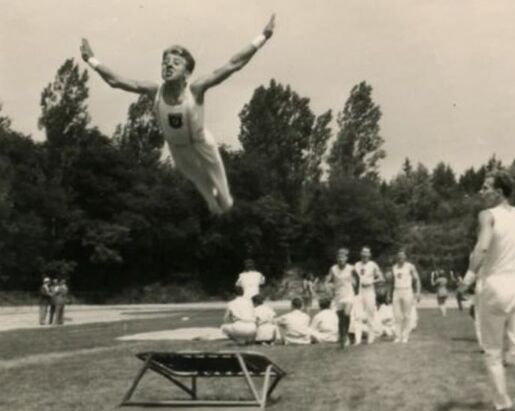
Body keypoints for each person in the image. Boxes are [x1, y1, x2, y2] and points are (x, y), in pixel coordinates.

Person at [79, 15, 276, 214]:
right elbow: (116, 81)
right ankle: (211, 203)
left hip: (201, 144)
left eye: (176, 63)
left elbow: (234, 64)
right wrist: (91, 60)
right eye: (165, 62)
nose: (168, 66)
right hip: (178, 149)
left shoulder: (196, 89)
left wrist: (263, 37)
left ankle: (223, 201)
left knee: (225, 201)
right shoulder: (153, 91)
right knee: (207, 194)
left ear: (187, 73)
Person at [459, 169, 515, 411]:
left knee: (492, 350)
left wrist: (468, 279)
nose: (481, 192)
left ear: (499, 191)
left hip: (494, 284)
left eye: (485, 187)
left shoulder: (487, 215)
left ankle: (503, 403)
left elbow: (482, 248)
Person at [325, 248, 360, 348]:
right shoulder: (333, 269)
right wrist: (328, 289)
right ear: (337, 259)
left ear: (346, 258)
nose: (341, 259)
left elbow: (358, 278)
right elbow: (327, 280)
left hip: (349, 294)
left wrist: (356, 290)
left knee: (346, 314)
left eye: (343, 257)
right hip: (338, 295)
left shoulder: (351, 268)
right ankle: (343, 336)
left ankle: (346, 335)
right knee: (340, 318)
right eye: (339, 258)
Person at [354, 247, 385, 344]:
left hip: (369, 292)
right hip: (359, 292)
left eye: (367, 252)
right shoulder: (357, 265)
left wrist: (371, 282)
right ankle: (357, 339)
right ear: (360, 254)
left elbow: (381, 278)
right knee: (357, 315)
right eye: (363, 252)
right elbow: (353, 278)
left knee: (370, 315)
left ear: (370, 255)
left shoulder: (373, 265)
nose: (364, 254)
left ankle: (371, 337)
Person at [390, 249, 421, 343]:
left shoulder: (410, 267)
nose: (400, 258)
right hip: (396, 290)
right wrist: (389, 294)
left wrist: (418, 292)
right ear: (397, 257)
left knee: (407, 315)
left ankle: (405, 335)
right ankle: (397, 336)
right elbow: (392, 282)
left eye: (402, 256)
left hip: (407, 290)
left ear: (405, 257)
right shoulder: (394, 267)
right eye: (399, 256)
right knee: (397, 315)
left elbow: (417, 280)